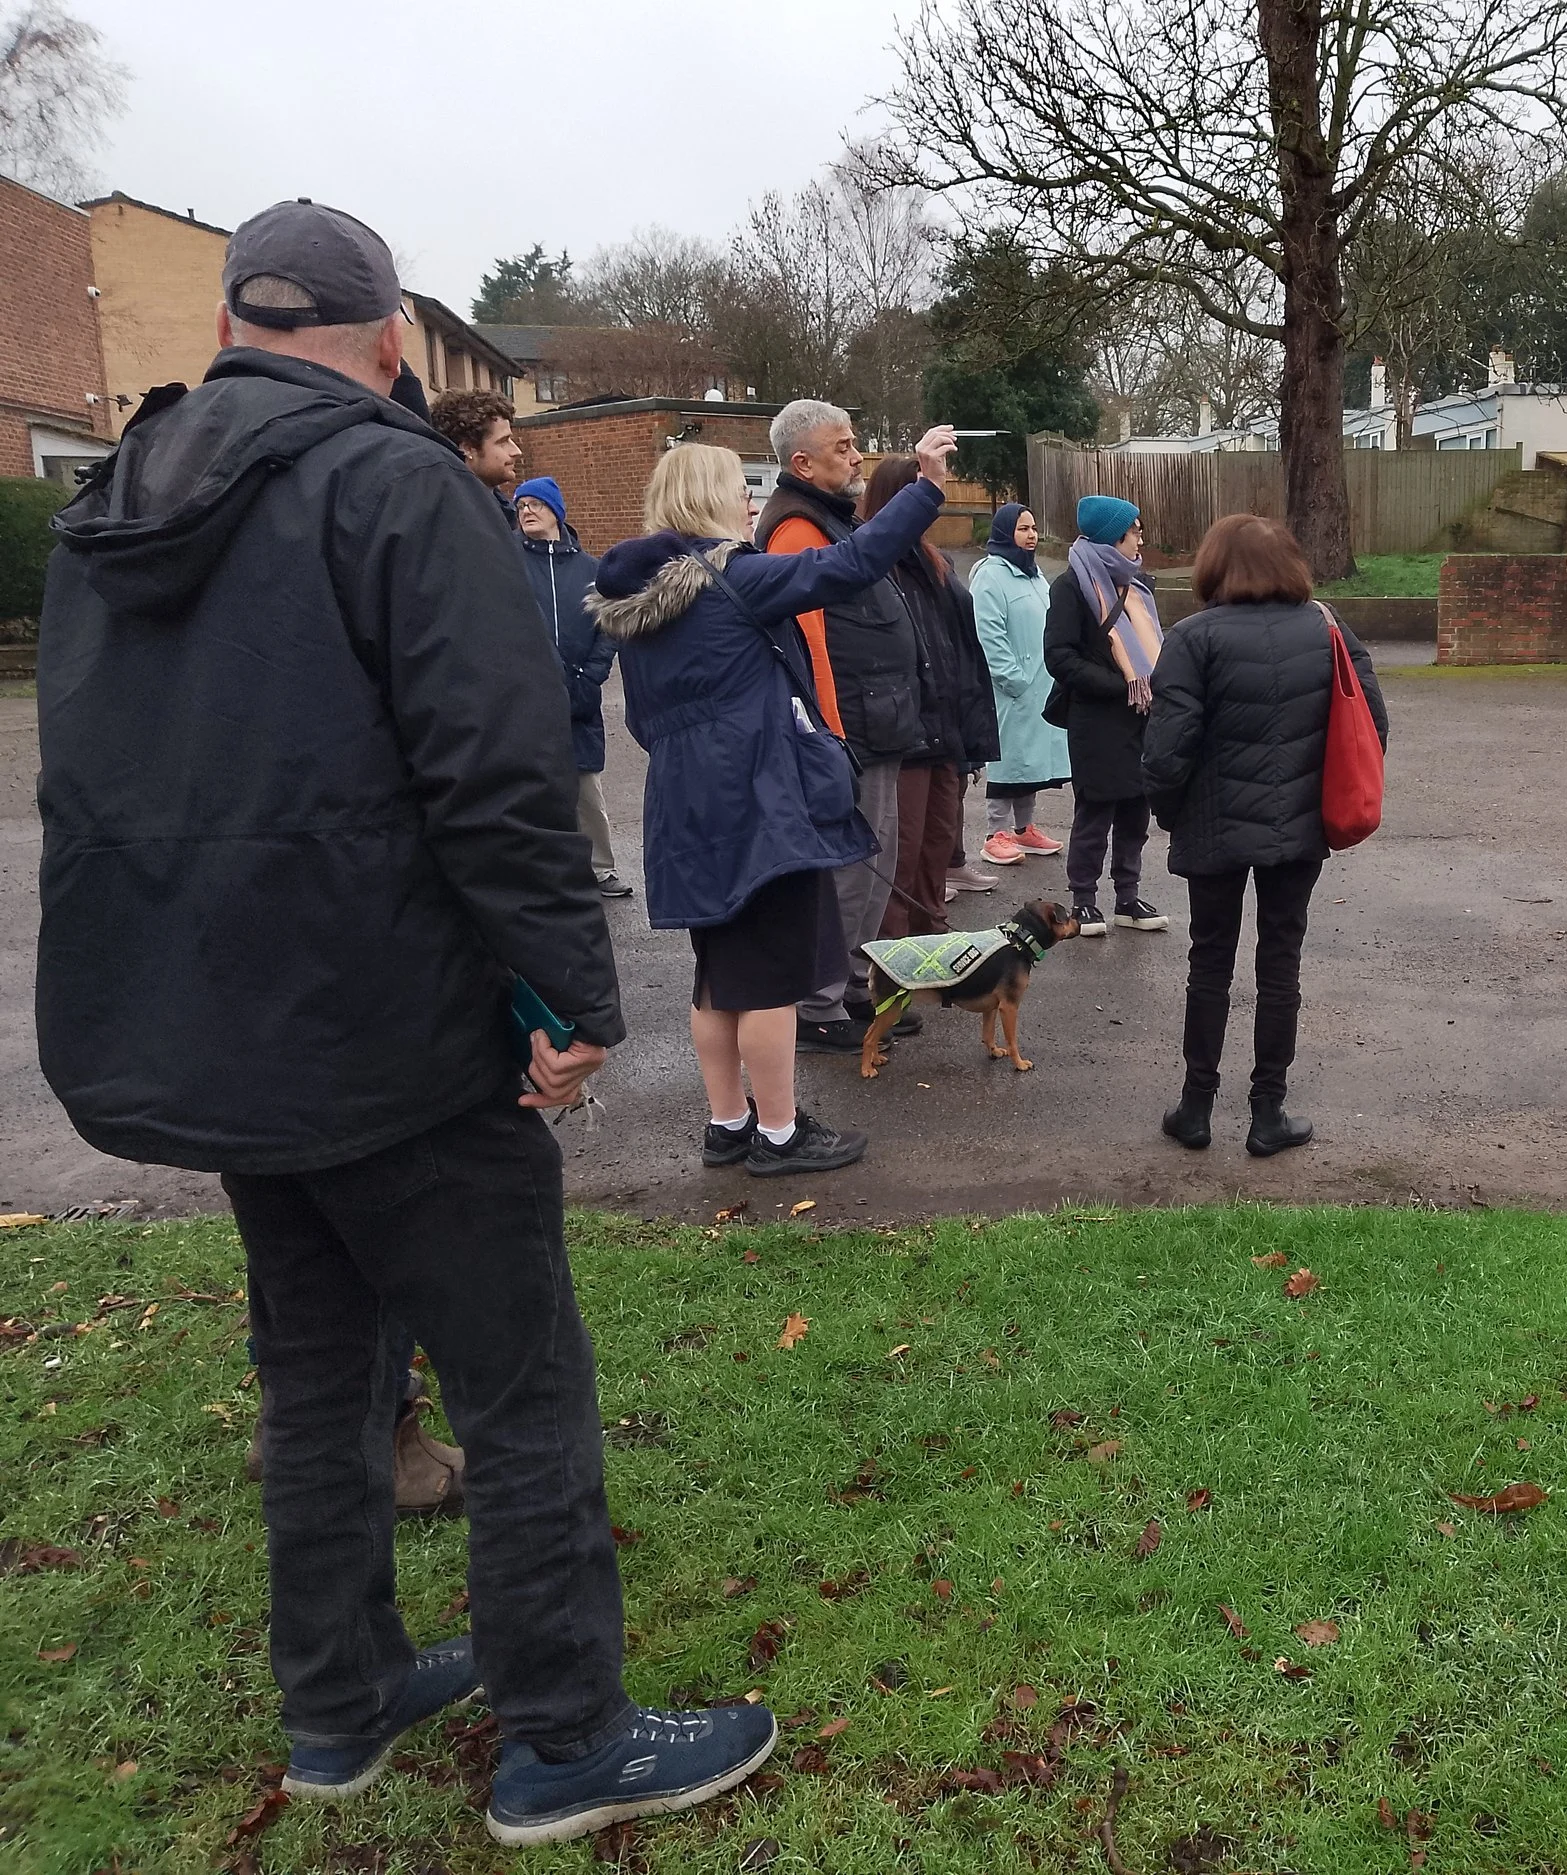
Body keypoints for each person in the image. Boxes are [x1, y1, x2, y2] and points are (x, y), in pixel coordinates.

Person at [36, 197, 771, 1847]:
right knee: (517, 1383)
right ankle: (569, 1737)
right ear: (386, 346)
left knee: (320, 1374)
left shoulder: (108, 510)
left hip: (214, 1031)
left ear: (229, 326)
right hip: (395, 1040)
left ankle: (342, 1698)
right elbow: (496, 776)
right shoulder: (396, 485)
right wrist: (573, 1004)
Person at [592, 432, 957, 1176]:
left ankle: (728, 1123)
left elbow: (641, 721)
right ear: (705, 500)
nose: (748, 501)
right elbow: (849, 563)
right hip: (755, 802)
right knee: (769, 980)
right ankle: (782, 1133)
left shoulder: (636, 604)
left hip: (681, 806)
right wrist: (925, 486)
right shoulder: (734, 578)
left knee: (718, 974)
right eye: (737, 488)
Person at [1141, 514, 1386, 1156]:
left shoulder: (1191, 638)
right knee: (1281, 962)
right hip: (1300, 829)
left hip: (1213, 828)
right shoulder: (1326, 626)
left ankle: (1195, 1108)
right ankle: (1267, 1114)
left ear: (1214, 566)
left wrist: (1172, 814)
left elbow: (1166, 754)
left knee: (1209, 961)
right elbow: (1371, 724)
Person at [754, 400, 927, 1053]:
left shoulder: (828, 515)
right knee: (849, 868)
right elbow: (810, 643)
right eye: (843, 446)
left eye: (856, 443)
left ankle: (854, 986)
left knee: (871, 859)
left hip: (871, 718)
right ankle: (820, 1001)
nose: (858, 456)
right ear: (802, 462)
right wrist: (829, 733)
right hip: (846, 728)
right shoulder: (796, 527)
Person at [859, 454, 999, 940]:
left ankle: (932, 939)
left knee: (936, 846)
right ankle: (893, 959)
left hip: (944, 730)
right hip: (905, 734)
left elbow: (958, 649)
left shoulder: (932, 560)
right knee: (902, 850)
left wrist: (968, 735)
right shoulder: (871, 565)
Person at [1044, 494, 1169, 937]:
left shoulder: (1139, 587)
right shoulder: (1070, 586)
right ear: (1113, 536)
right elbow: (1059, 657)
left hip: (1143, 718)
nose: (1141, 538)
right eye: (1134, 530)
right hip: (1097, 719)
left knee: (1137, 811)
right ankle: (1083, 899)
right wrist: (1122, 686)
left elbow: (1155, 651)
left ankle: (1127, 897)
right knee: (1095, 812)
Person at [515, 476, 631, 900]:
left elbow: (610, 627)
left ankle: (600, 868)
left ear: (556, 512)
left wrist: (590, 676)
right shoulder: (505, 561)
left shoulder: (591, 570)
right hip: (527, 696)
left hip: (581, 696)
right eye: (521, 505)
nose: (526, 511)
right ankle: (541, 869)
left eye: (535, 505)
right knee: (531, 788)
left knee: (585, 789)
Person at [970, 502, 1069, 869]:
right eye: (1023, 528)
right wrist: (1011, 677)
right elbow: (988, 633)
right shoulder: (990, 575)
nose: (1031, 535)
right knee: (1007, 758)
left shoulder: (1033, 575)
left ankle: (1024, 827)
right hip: (1011, 686)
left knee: (1030, 761)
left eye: (1033, 528)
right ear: (1004, 532)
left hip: (1039, 685)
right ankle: (996, 832)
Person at [433, 387, 523, 512]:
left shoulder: (501, 511)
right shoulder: (455, 515)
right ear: (468, 448)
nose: (516, 451)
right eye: (502, 442)